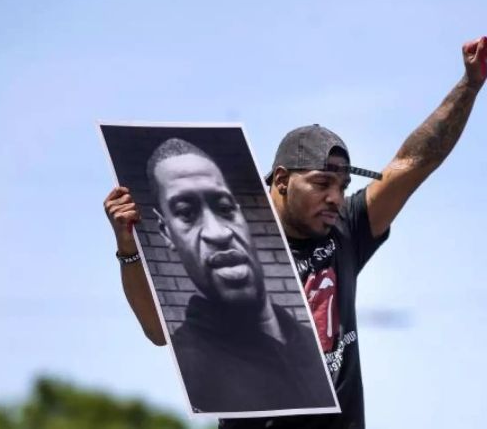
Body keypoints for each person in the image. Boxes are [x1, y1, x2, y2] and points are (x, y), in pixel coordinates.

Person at [103, 36, 487, 428]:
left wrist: (468, 86)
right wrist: (128, 248)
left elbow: (413, 162)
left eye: (342, 187)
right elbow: (157, 329)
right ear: (282, 181)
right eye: (323, 183)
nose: (336, 198)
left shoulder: (346, 230)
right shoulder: (231, 245)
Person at [106, 138, 334, 413]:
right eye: (187, 214)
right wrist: (128, 248)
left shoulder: (309, 340)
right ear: (166, 232)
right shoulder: (194, 354)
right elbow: (156, 331)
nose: (218, 233)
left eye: (225, 208)